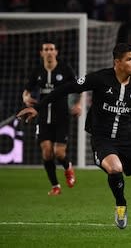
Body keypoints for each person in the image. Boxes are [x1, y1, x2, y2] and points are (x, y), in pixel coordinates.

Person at [17, 43, 131, 231]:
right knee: (115, 168)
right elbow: (66, 88)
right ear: (117, 62)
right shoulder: (101, 78)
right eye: (130, 59)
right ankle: (121, 204)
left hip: (128, 137)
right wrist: (37, 107)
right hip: (103, 138)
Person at [22, 39, 81, 196]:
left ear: (56, 52)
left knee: (59, 153)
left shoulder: (65, 69)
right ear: (41, 53)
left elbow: (80, 87)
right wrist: (26, 98)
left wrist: (79, 104)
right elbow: (26, 92)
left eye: (51, 49)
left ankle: (68, 168)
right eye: (46, 49)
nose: (49, 51)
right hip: (43, 117)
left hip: (61, 115)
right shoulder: (37, 71)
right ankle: (56, 186)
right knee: (47, 152)